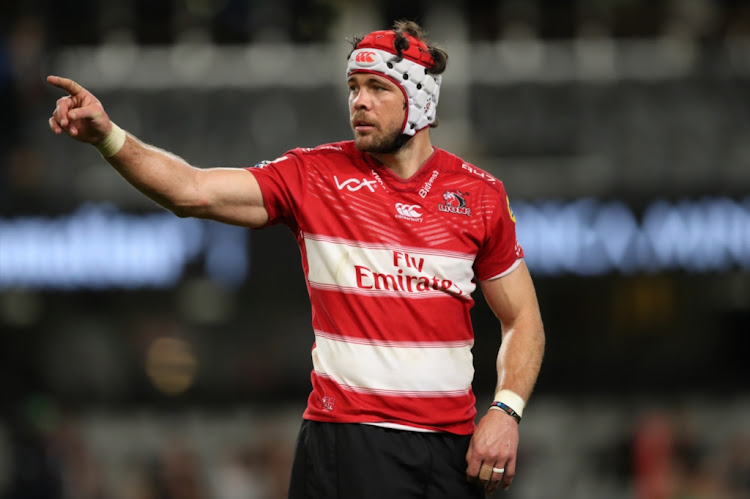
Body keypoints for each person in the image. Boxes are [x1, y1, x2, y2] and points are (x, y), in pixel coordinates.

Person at [47, 20, 545, 498]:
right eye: (354, 86)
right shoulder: (314, 175)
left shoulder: (478, 194)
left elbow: (523, 319)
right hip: (349, 441)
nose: (359, 102)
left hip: (453, 451)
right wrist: (109, 137)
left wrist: (506, 411)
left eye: (378, 87)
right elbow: (191, 190)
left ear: (420, 100)